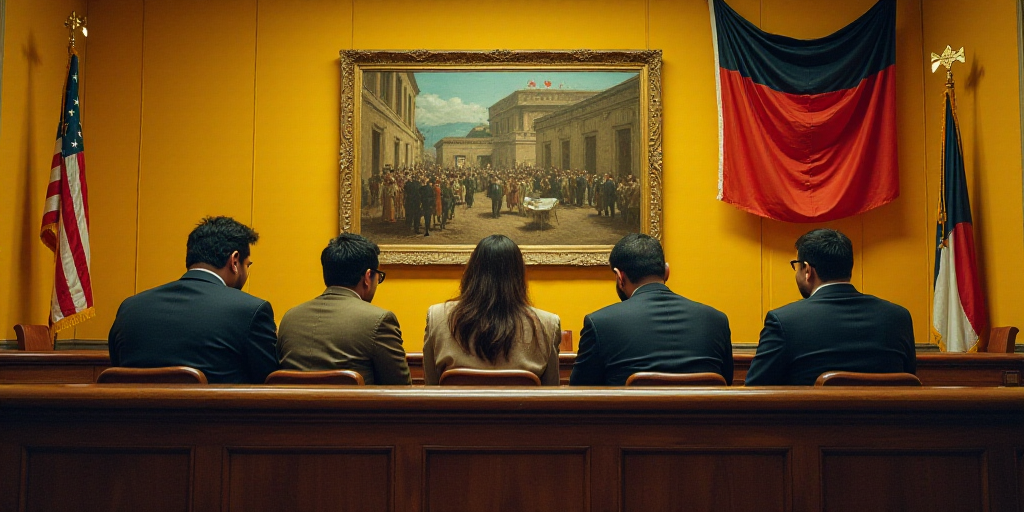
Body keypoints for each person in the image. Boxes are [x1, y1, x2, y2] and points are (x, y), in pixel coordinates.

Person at [107, 216, 278, 384]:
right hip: (216, 404)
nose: (247, 272)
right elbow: (270, 385)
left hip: (136, 404)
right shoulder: (250, 311)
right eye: (247, 265)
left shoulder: (130, 309)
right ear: (234, 261)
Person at [745, 229, 916, 386]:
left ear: (807, 270)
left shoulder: (784, 322)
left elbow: (755, 391)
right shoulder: (899, 318)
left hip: (813, 412)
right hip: (885, 412)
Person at [569, 233, 732, 386]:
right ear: (667, 271)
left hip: (632, 409)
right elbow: (727, 385)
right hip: (700, 409)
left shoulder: (600, 324)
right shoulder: (717, 320)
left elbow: (579, 394)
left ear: (620, 277)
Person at [423, 235, 561, 385]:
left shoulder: (437, 316)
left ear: (472, 271)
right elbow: (551, 393)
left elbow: (430, 387)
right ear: (518, 275)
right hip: (519, 402)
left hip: (457, 401)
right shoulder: (548, 324)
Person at [277, 234, 411, 385]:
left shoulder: (289, 318)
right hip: (353, 401)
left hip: (293, 401)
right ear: (368, 277)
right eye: (378, 277)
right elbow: (400, 389)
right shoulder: (379, 320)